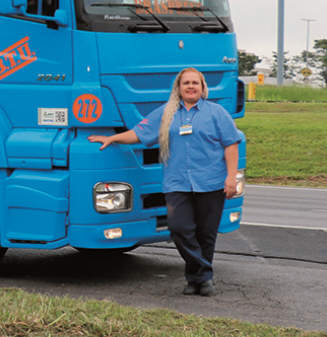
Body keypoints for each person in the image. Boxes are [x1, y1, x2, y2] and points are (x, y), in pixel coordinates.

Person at [88, 67, 242, 297]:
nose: (191, 86)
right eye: (186, 83)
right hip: (177, 183)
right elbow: (139, 134)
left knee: (206, 234)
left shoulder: (216, 113)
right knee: (179, 228)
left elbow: (231, 144)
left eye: (195, 83)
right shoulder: (166, 113)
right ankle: (205, 273)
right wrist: (112, 138)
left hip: (210, 182)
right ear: (178, 88)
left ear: (202, 88)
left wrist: (231, 177)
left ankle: (197, 280)